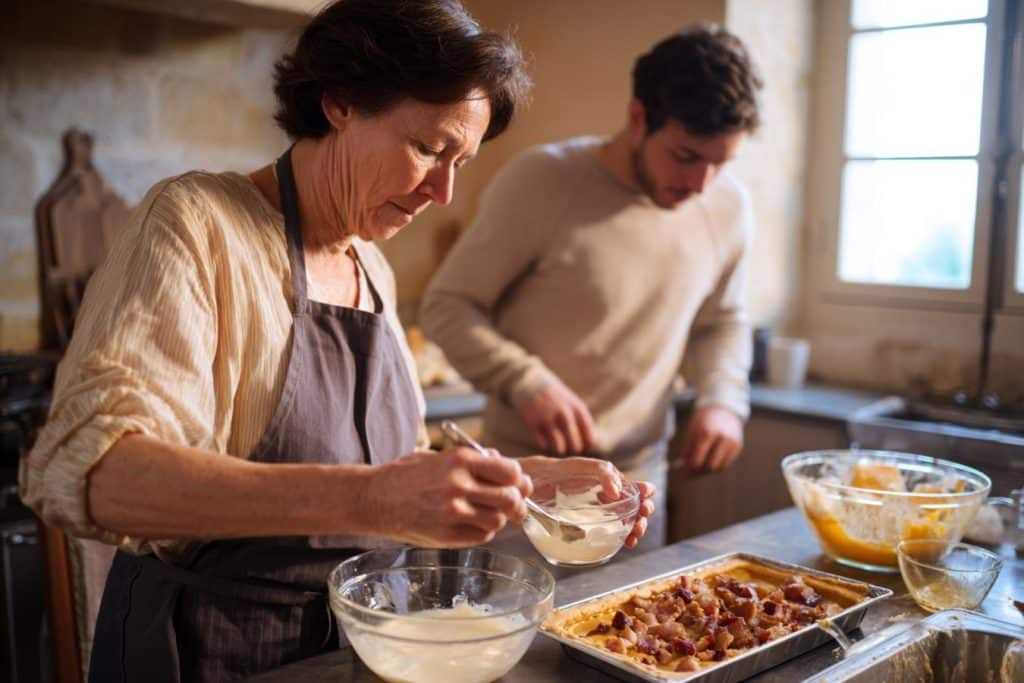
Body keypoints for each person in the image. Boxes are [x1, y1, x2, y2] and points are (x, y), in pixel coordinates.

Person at [19, 1, 654, 680]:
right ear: (341, 102)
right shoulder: (195, 226)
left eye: (460, 161)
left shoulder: (367, 263)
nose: (443, 191)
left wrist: (525, 485)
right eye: (428, 148)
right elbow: (93, 474)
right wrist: (368, 499)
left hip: (350, 648)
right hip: (204, 649)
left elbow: (390, 461)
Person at [421, 23, 763, 551]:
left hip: (639, 491)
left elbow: (723, 321)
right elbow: (447, 305)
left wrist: (723, 400)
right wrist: (526, 382)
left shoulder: (728, 205)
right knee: (517, 632)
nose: (700, 184)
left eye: (721, 162)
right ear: (637, 117)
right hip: (527, 487)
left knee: (638, 631)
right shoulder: (542, 180)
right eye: (686, 156)